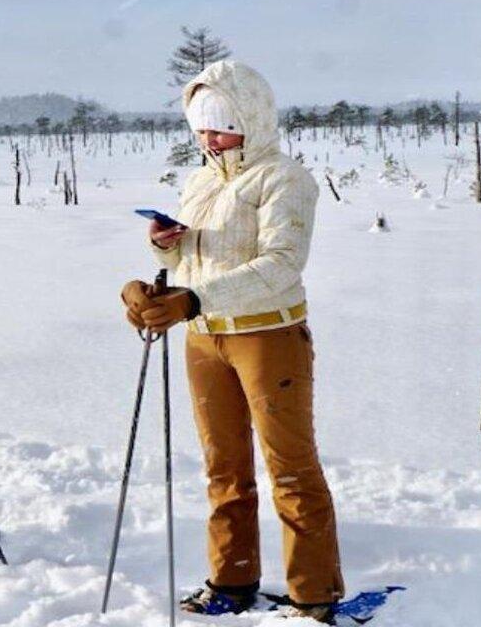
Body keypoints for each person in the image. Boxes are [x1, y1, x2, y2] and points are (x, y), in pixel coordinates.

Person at [120, 60, 344, 623]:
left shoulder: (283, 178)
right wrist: (165, 253)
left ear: (254, 120)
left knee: (289, 467)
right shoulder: (201, 181)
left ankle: (313, 593)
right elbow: (198, 258)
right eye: (201, 129)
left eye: (221, 127)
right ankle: (232, 578)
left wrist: (193, 299)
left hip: (268, 335)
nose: (210, 140)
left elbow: (281, 265)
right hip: (205, 340)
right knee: (224, 469)